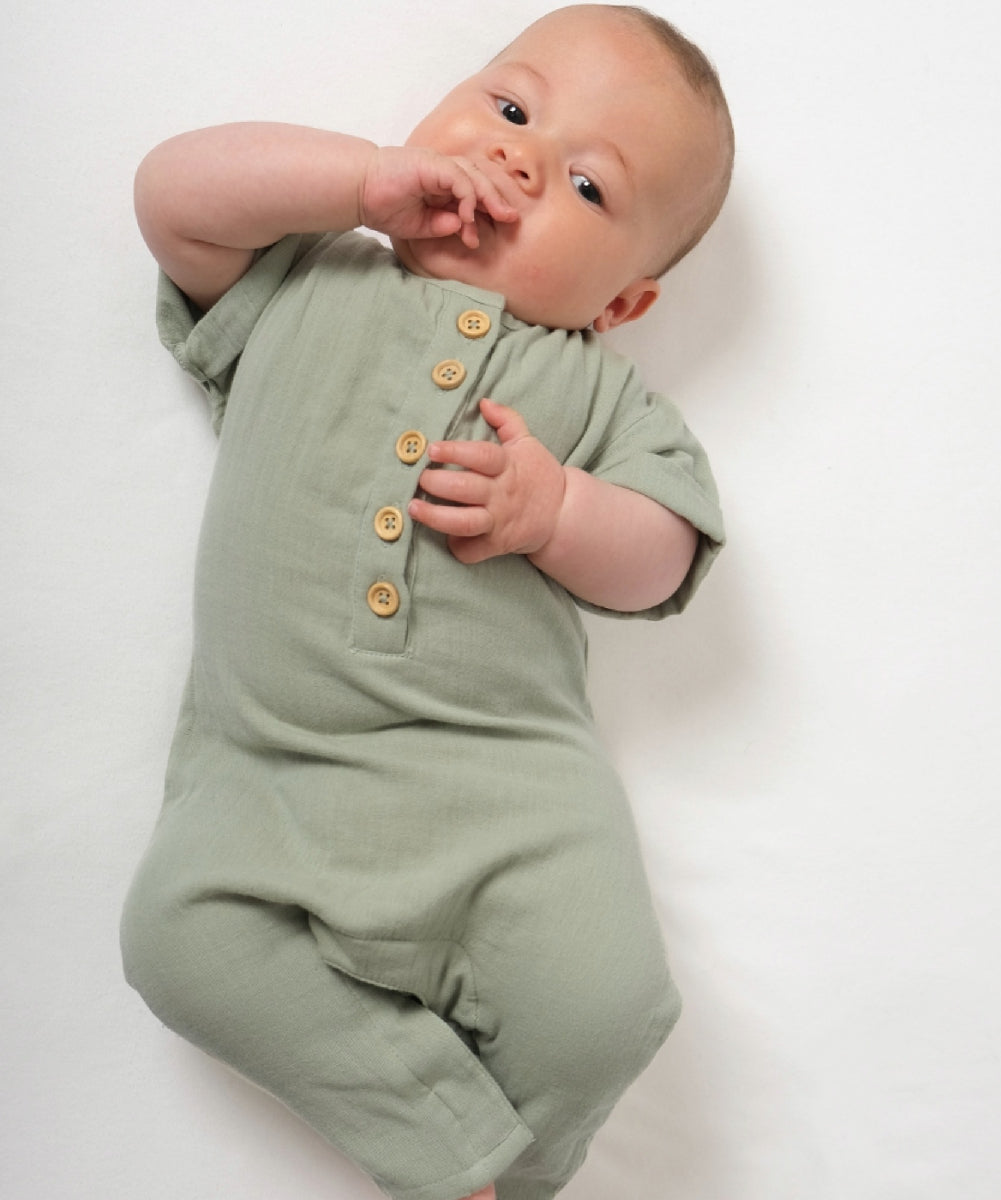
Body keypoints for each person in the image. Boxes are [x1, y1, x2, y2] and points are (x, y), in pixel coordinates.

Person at [119, 6, 733, 1199]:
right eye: (509, 109)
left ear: (620, 305)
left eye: (588, 188)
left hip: (508, 786)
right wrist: (356, 183)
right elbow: (172, 196)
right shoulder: (304, 282)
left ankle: (503, 1176)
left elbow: (665, 556)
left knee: (609, 1010)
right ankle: (456, 1150)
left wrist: (556, 513)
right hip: (271, 773)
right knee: (172, 942)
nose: (517, 158)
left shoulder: (597, 395)